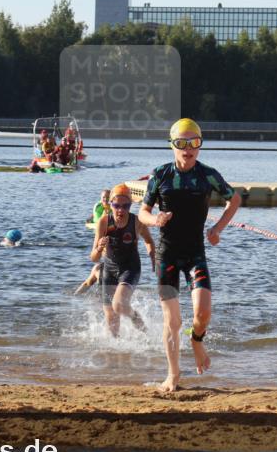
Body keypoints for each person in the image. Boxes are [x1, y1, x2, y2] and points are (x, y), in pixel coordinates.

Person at [138, 118, 241, 392]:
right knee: (173, 321)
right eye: (181, 143)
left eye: (193, 142)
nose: (188, 149)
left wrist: (218, 228)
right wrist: (155, 220)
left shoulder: (208, 175)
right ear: (172, 145)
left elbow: (235, 198)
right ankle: (173, 375)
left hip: (195, 253)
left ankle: (196, 340)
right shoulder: (160, 174)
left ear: (200, 145)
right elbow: (142, 212)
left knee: (203, 313)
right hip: (167, 256)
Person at [90, 184, 155, 336]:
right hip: (109, 269)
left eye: (125, 206)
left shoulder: (137, 221)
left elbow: (149, 241)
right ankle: (116, 354)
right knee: (111, 318)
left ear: (130, 205)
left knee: (119, 305)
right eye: (116, 205)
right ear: (110, 204)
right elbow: (94, 258)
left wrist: (153, 256)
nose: (120, 210)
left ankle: (139, 324)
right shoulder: (104, 222)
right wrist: (99, 248)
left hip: (130, 268)